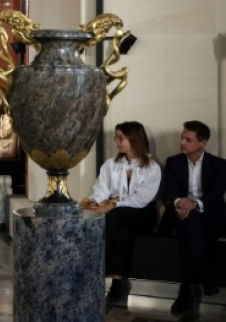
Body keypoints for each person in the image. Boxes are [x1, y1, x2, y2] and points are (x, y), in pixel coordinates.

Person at [81, 121, 161, 307]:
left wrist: (113, 204)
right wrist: (94, 201)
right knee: (122, 229)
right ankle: (117, 284)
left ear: (134, 138)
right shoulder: (111, 164)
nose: (117, 141)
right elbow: (102, 188)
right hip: (120, 216)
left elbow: (141, 199)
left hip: (143, 214)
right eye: (116, 137)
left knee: (117, 215)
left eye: (121, 137)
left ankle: (93, 265)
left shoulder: (152, 168)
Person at [162, 120, 226, 315]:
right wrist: (181, 202)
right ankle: (206, 279)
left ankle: (185, 291)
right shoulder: (173, 162)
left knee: (189, 225)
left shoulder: (219, 165)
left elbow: (215, 195)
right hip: (180, 213)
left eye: (188, 140)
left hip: (210, 215)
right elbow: (169, 192)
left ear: (202, 143)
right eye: (182, 138)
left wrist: (195, 204)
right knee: (189, 223)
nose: (182, 142)